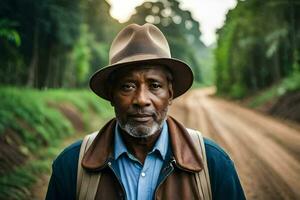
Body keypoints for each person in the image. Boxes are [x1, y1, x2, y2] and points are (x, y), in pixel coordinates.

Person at [46, 23, 245, 200]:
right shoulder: (71, 166)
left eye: (155, 85)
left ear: (170, 93)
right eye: (127, 86)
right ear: (111, 95)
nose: (141, 100)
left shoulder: (214, 163)